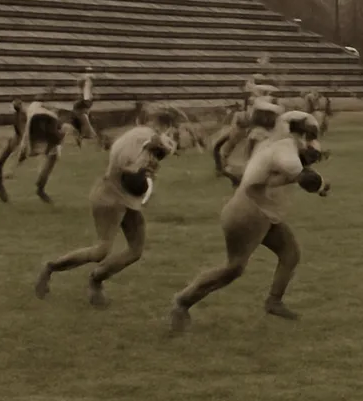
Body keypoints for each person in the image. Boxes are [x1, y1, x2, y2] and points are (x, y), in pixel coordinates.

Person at [169, 111, 330, 333]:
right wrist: (313, 180)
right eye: (309, 135)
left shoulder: (278, 143)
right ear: (299, 133)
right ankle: (182, 301)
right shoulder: (285, 151)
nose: (311, 142)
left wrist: (316, 181)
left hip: (260, 211)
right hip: (249, 212)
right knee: (233, 268)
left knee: (290, 253)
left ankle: (274, 301)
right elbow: (295, 170)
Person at [34, 125, 177, 306]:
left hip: (126, 197)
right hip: (108, 198)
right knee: (101, 250)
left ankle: (96, 279)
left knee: (135, 250)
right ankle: (51, 267)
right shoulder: (130, 156)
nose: (159, 159)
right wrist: (146, 173)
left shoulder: (144, 135)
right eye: (159, 154)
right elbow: (133, 178)